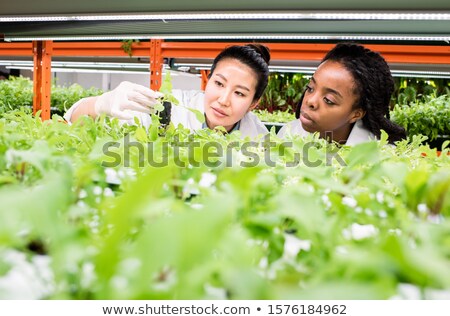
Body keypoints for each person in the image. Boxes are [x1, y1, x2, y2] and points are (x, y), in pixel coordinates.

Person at [65, 44, 271, 139]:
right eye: (219, 84)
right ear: (208, 80)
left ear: (254, 103)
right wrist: (100, 104)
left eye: (240, 94)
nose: (224, 100)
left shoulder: (257, 136)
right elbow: (74, 120)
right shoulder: (172, 107)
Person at [278, 43, 406, 145]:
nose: (310, 101)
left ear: (356, 114)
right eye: (310, 88)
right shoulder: (287, 134)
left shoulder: (382, 159)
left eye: (328, 100)